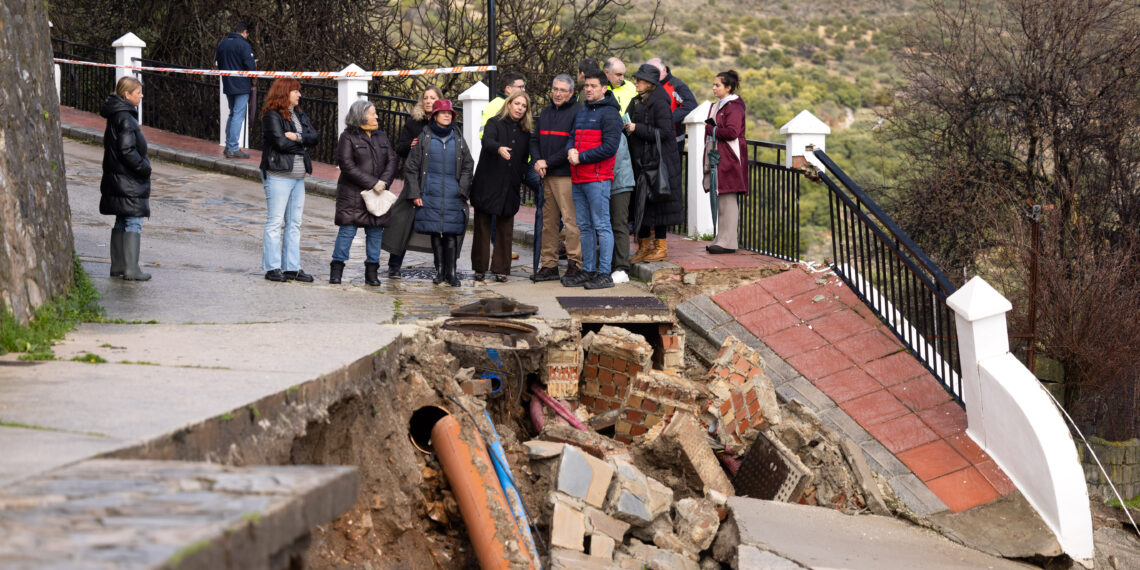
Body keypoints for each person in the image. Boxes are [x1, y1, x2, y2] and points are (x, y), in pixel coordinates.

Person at [405, 99, 474, 287]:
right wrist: (415, 193)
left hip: (453, 194)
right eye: (443, 112)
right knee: (436, 232)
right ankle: (440, 271)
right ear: (434, 115)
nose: (447, 115)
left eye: (449, 113)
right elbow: (411, 167)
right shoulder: (424, 138)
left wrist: (463, 188)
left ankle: (451, 273)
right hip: (430, 192)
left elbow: (468, 165)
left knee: (451, 233)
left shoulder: (458, 138)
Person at [565, 69, 622, 290]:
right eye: (586, 86)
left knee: (602, 225)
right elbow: (572, 137)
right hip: (578, 177)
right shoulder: (582, 111)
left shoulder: (610, 114)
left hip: (598, 178)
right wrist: (570, 150)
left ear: (604, 88)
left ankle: (604, 273)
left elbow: (610, 148)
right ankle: (588, 270)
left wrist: (581, 157)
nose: (588, 89)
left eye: (593, 86)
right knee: (585, 227)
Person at [330, 100, 397, 285]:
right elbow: (347, 165)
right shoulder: (347, 137)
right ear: (361, 116)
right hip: (352, 195)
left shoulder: (381, 136)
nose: (376, 116)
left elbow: (392, 160)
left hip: (378, 195)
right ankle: (336, 270)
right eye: (373, 113)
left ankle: (372, 272)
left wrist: (383, 182)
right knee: (347, 232)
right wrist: (373, 182)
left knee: (375, 232)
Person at [258, 78, 318, 282]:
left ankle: (292, 267)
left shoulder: (299, 114)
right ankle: (272, 268)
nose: (299, 95)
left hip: (298, 176)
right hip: (278, 174)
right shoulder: (271, 115)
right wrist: (301, 143)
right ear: (284, 92)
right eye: (295, 91)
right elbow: (281, 144)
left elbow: (315, 137)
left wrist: (297, 137)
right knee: (275, 221)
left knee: (294, 223)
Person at [470, 92, 532, 282]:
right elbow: (486, 141)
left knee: (505, 228)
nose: (520, 108)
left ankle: (501, 269)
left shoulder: (526, 132)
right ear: (509, 104)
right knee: (482, 226)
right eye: (517, 103)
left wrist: (521, 173)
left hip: (510, 184)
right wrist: (498, 148)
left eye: (524, 106)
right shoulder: (494, 122)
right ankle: (479, 268)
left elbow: (524, 158)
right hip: (488, 181)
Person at [626, 63, 684, 264]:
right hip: (641, 161)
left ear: (650, 83)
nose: (635, 82)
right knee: (641, 203)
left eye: (639, 80)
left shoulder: (660, 102)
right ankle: (643, 246)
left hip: (658, 162)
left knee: (659, 205)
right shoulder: (637, 101)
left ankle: (660, 247)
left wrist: (637, 128)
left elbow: (666, 132)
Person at [385, 85, 443, 278]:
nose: (428, 101)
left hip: (435, 180)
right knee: (403, 220)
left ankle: (441, 266)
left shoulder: (445, 123)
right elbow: (400, 148)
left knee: (438, 224)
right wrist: (410, 145)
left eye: (432, 97)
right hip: (414, 179)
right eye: (425, 97)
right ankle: (394, 264)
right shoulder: (413, 123)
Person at [531, 74, 583, 283]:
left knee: (571, 222)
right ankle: (549, 265)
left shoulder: (578, 112)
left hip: (566, 177)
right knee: (548, 223)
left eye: (562, 90)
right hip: (546, 175)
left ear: (571, 93)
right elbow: (534, 140)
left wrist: (547, 162)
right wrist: (537, 161)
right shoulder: (545, 112)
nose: (558, 93)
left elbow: (571, 146)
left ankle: (574, 264)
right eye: (555, 89)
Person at [100, 76, 152, 281]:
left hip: (118, 178)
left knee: (122, 219)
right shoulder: (126, 118)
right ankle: (131, 268)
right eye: (138, 92)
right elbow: (126, 150)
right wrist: (144, 168)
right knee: (134, 221)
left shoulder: (116, 115)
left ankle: (119, 265)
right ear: (126, 94)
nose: (141, 95)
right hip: (128, 180)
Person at [704, 70, 747, 255]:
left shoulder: (734, 107)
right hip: (722, 155)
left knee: (728, 198)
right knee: (721, 197)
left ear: (728, 87)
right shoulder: (722, 105)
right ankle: (721, 239)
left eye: (717, 85)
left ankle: (728, 242)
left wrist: (711, 129)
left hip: (730, 156)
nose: (714, 88)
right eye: (714, 84)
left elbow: (732, 132)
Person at [215, 22, 256, 159]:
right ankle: (233, 147)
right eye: (247, 34)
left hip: (227, 83)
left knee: (232, 114)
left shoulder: (222, 43)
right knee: (238, 115)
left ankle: (228, 146)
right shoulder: (244, 45)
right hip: (241, 84)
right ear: (244, 32)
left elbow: (219, 64)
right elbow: (250, 66)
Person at [647, 57, 697, 156]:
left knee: (672, 170)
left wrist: (667, 119)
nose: (652, 74)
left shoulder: (677, 85)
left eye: (655, 71)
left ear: (664, 69)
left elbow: (690, 105)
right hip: (651, 138)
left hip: (673, 141)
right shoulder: (649, 85)